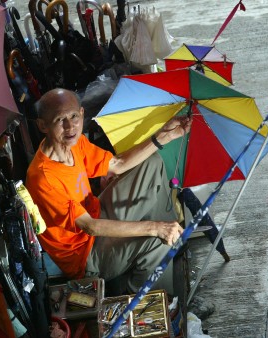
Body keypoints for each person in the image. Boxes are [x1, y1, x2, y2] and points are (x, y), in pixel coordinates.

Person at [25, 88, 192, 294]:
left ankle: (171, 236)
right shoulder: (43, 177)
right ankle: (139, 302)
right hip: (85, 255)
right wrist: (154, 228)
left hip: (98, 212)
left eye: (74, 116)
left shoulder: (75, 144)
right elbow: (90, 227)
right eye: (60, 120)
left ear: (82, 114)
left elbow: (119, 164)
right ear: (43, 125)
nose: (70, 126)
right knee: (157, 242)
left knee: (151, 162)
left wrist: (165, 135)